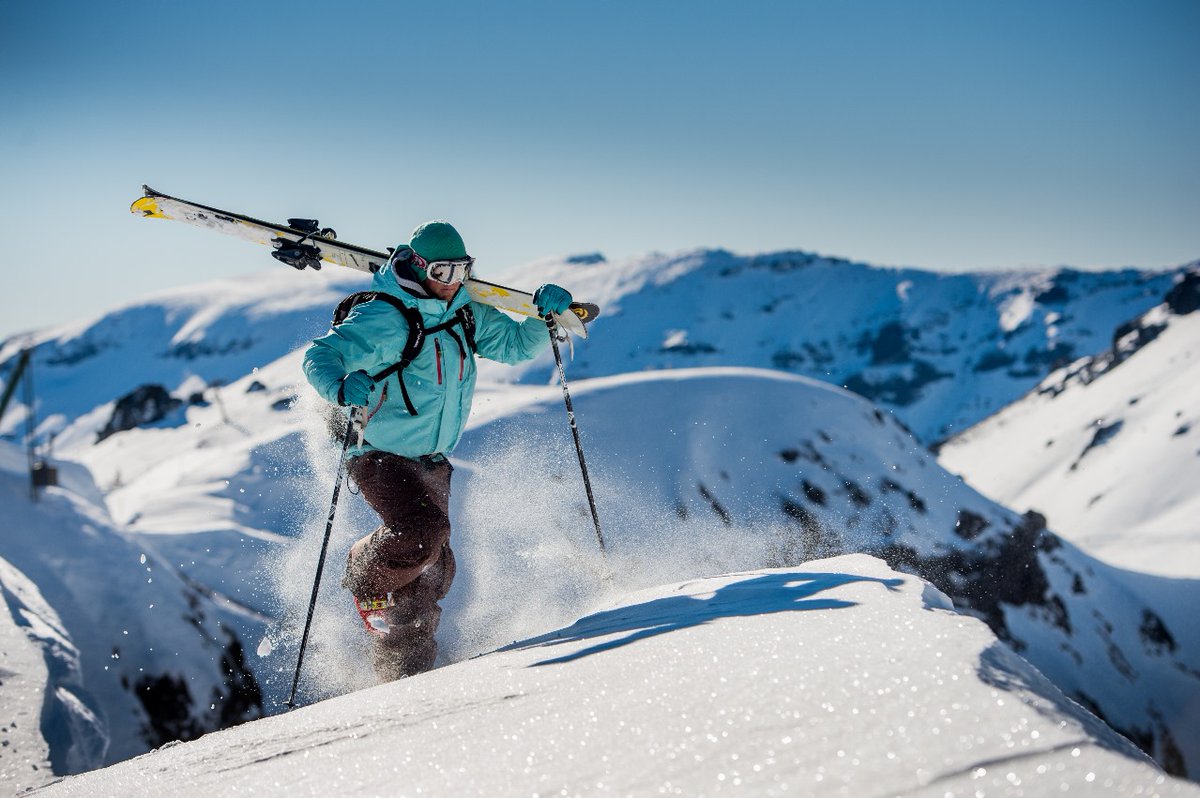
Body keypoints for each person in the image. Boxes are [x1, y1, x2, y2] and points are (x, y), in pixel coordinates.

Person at [302, 220, 573, 681]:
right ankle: (365, 572)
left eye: (462, 271)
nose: (453, 283)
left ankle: (405, 680)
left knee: (433, 569)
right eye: (443, 272)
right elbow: (319, 357)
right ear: (418, 265)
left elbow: (510, 346)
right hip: (380, 453)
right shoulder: (385, 316)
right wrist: (342, 384)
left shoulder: (466, 313)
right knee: (421, 532)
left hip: (433, 459)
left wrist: (538, 318)